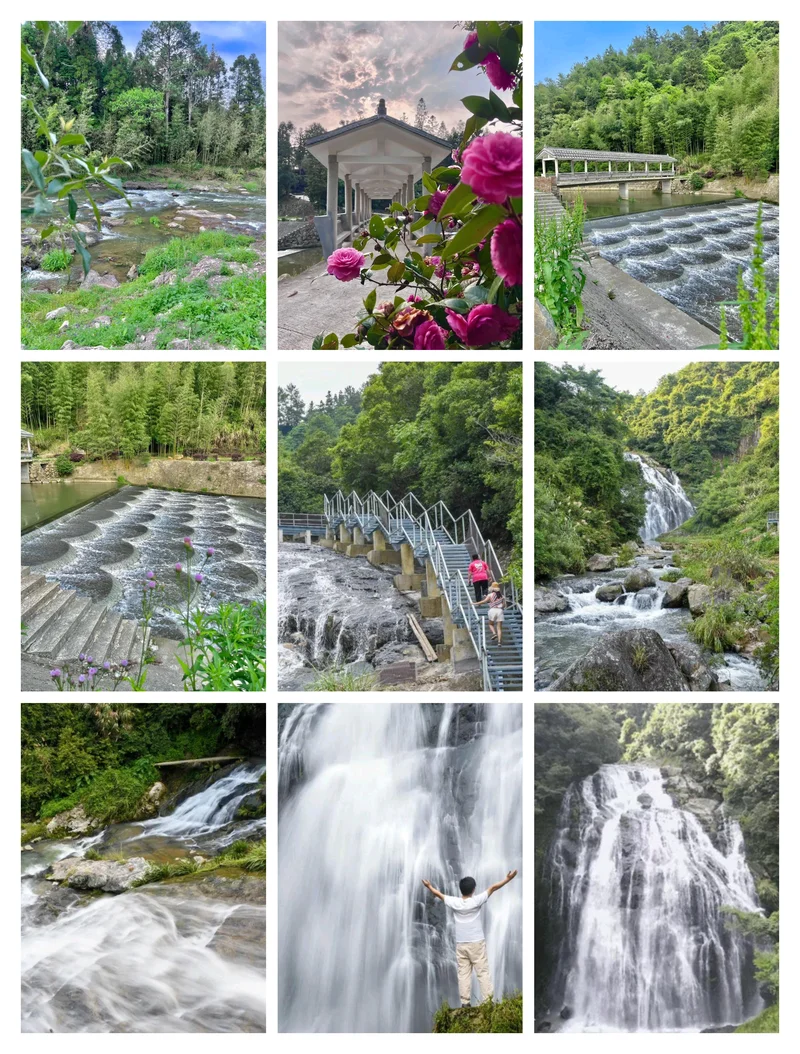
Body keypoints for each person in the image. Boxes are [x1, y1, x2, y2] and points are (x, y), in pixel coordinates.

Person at [422, 870, 518, 1008]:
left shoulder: (454, 902)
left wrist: (429, 886)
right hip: (477, 942)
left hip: (461, 944)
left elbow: (438, 894)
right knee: (482, 972)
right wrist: (508, 879)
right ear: (473, 889)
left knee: (463, 973)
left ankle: (465, 1003)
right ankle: (488, 1002)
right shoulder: (476, 900)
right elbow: (493, 888)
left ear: (460, 890)